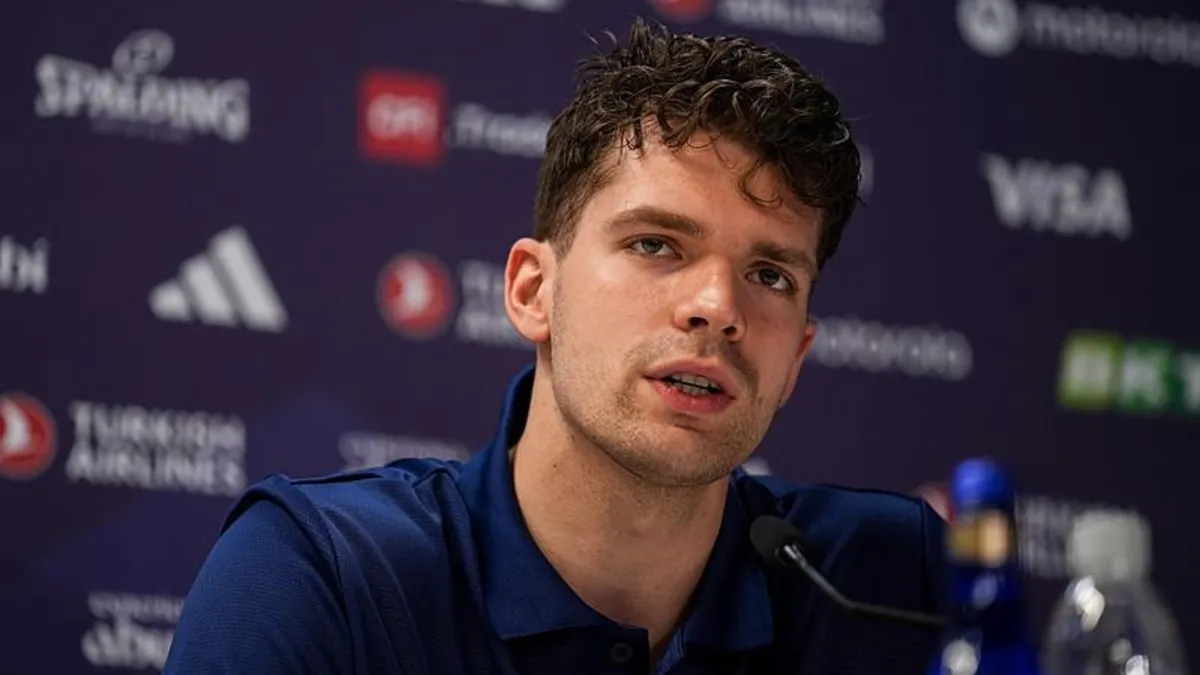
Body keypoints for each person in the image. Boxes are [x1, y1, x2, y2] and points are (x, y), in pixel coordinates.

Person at [163, 18, 948, 675]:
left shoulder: (890, 583)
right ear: (532, 291)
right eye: (656, 244)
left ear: (797, 358)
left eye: (770, 274)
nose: (717, 308)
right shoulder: (321, 571)